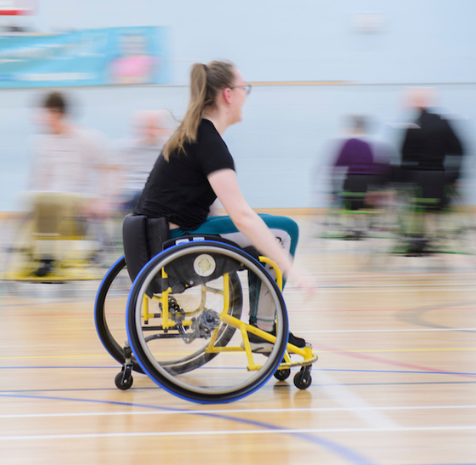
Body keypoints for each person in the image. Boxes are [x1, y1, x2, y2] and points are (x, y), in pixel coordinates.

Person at [134, 60, 313, 351]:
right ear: (228, 95)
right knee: (285, 230)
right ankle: (264, 331)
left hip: (162, 237)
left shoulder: (192, 134)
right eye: (245, 89)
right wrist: (292, 269)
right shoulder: (208, 141)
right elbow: (241, 216)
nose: (246, 95)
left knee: (267, 226)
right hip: (177, 243)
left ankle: (263, 325)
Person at [27, 91, 116, 275]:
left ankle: (51, 257)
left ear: (56, 113)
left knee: (55, 203)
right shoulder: (41, 141)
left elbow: (110, 170)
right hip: (50, 197)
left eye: (44, 113)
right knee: (38, 200)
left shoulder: (88, 138)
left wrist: (101, 199)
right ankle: (45, 256)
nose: (40, 119)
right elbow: (40, 176)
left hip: (79, 196)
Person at [396, 87, 466, 254]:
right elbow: (459, 150)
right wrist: (456, 176)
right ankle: (434, 234)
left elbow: (404, 156)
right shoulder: (444, 123)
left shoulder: (412, 126)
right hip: (440, 179)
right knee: (434, 203)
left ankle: (416, 239)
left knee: (410, 201)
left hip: (418, 180)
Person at [117, 110, 169, 212]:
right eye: (146, 127)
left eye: (155, 127)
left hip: (157, 193)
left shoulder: (169, 149)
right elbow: (118, 175)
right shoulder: (126, 148)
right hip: (132, 193)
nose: (150, 132)